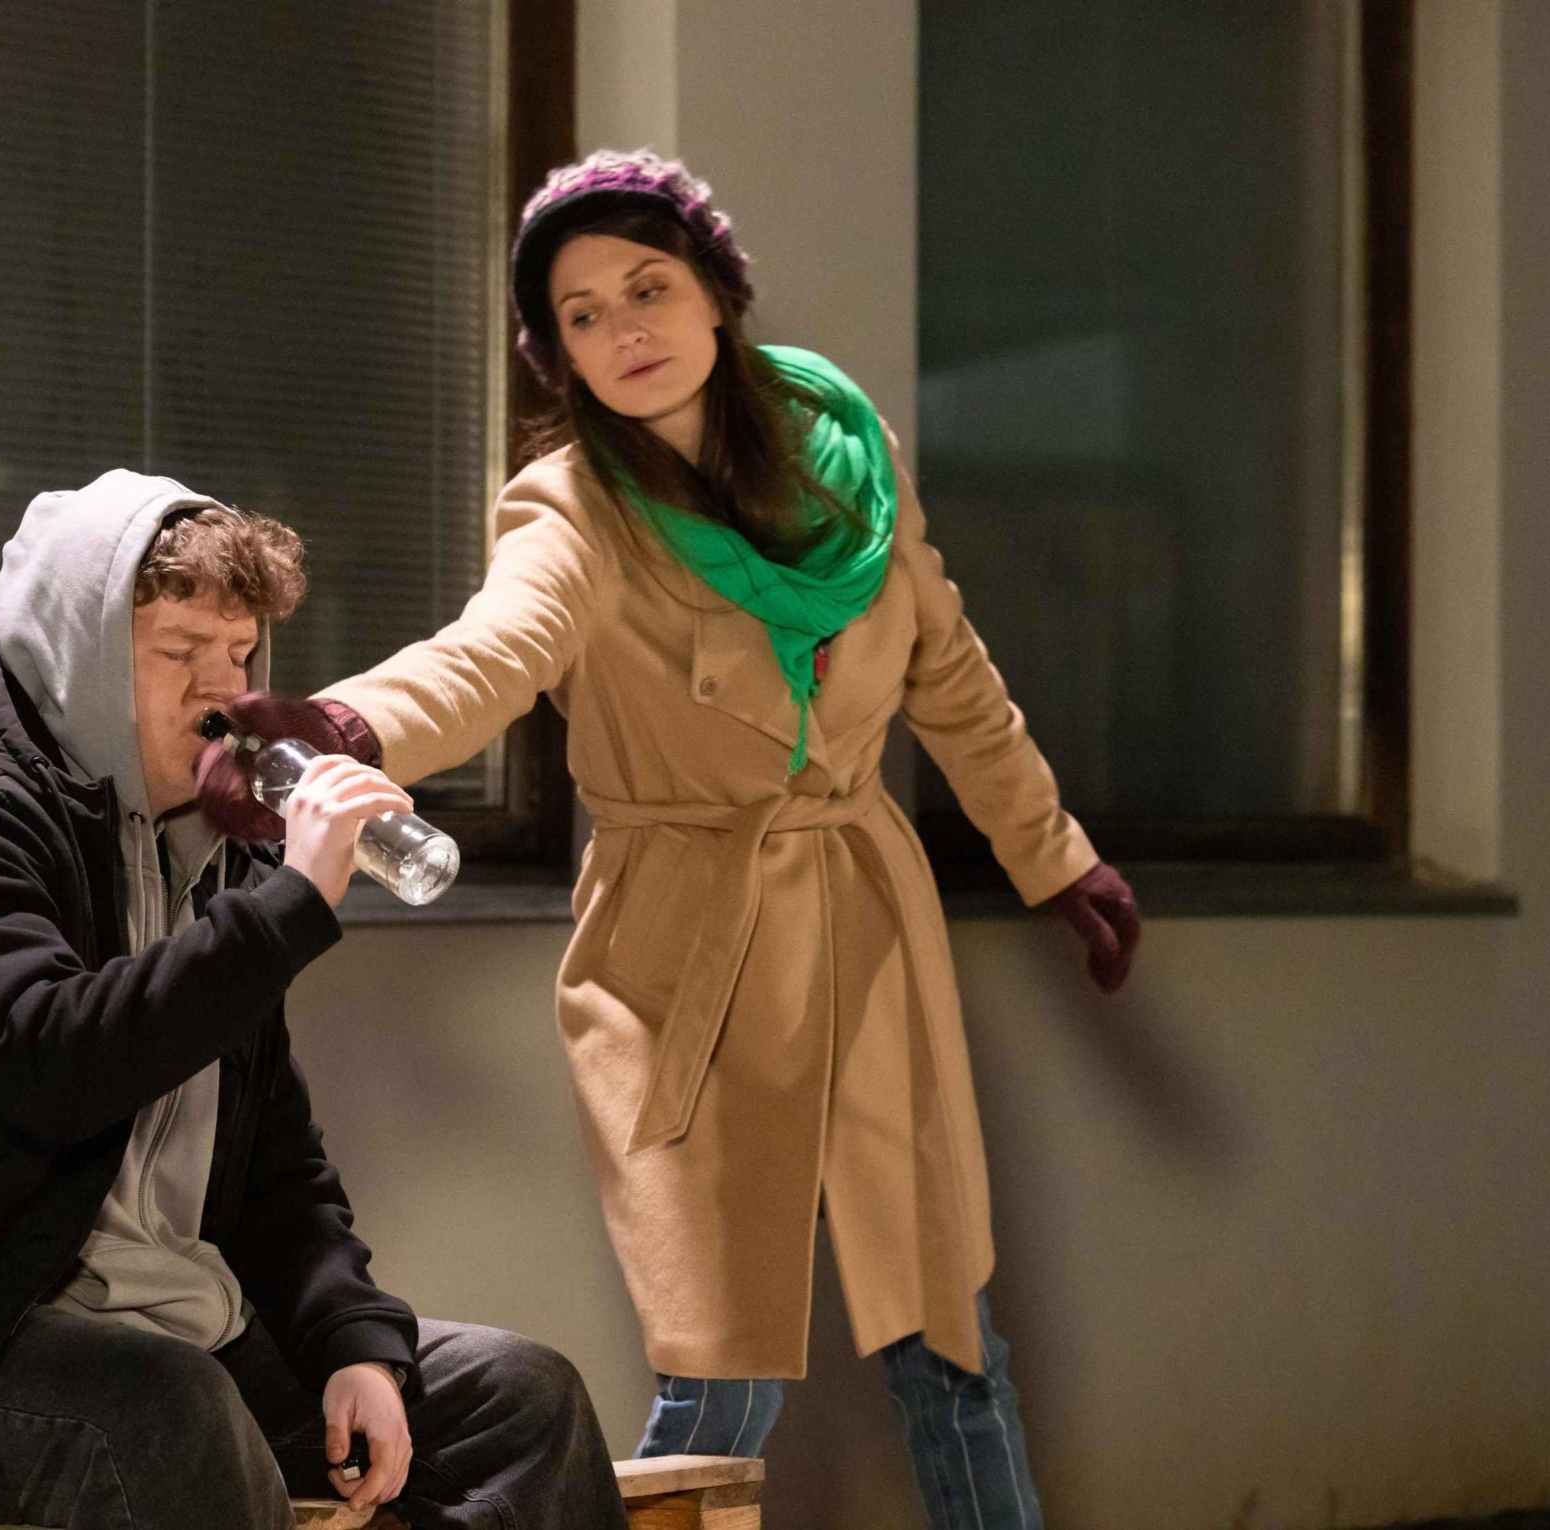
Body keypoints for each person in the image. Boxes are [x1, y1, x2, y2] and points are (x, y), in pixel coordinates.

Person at [197, 151, 1142, 1530]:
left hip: (864, 921)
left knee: (949, 1342)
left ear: (715, 294)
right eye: (580, 315)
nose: (622, 331)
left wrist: (1054, 854)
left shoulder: (847, 459)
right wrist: (344, 726)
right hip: (683, 948)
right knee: (718, 1369)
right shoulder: (570, 506)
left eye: (646, 289)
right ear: (557, 353)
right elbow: (489, 653)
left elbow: (948, 673)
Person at [0, 470, 627, 1530]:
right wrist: (289, 906)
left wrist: (350, 1339)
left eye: (238, 654)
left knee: (521, 1400)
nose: (221, 693)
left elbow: (272, 1158)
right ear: (75, 652)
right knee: (167, 1407)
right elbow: (52, 1063)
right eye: (179, 653)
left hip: (170, 1327)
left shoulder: (197, 840)